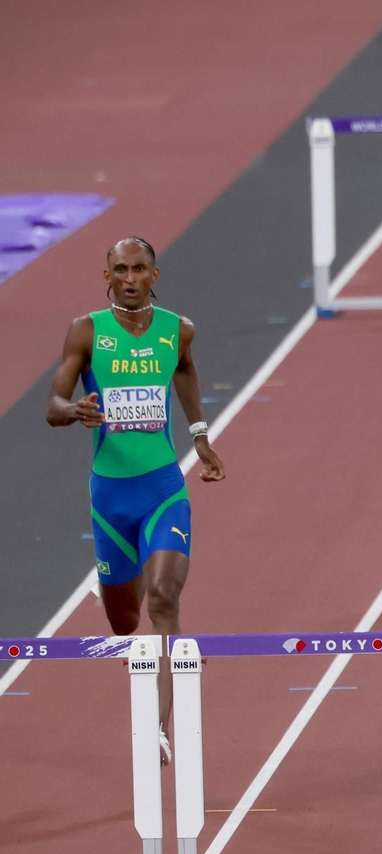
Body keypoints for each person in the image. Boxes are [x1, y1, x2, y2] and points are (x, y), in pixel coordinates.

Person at [45, 237, 226, 763]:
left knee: (166, 601)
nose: (128, 277)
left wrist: (199, 433)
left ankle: (156, 727)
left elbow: (185, 370)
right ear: (106, 275)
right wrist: (72, 408)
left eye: (138, 268)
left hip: (163, 488)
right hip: (109, 497)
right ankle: (125, 577)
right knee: (125, 623)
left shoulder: (178, 330)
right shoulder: (87, 331)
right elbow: (52, 404)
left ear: (155, 273)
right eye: (119, 269)